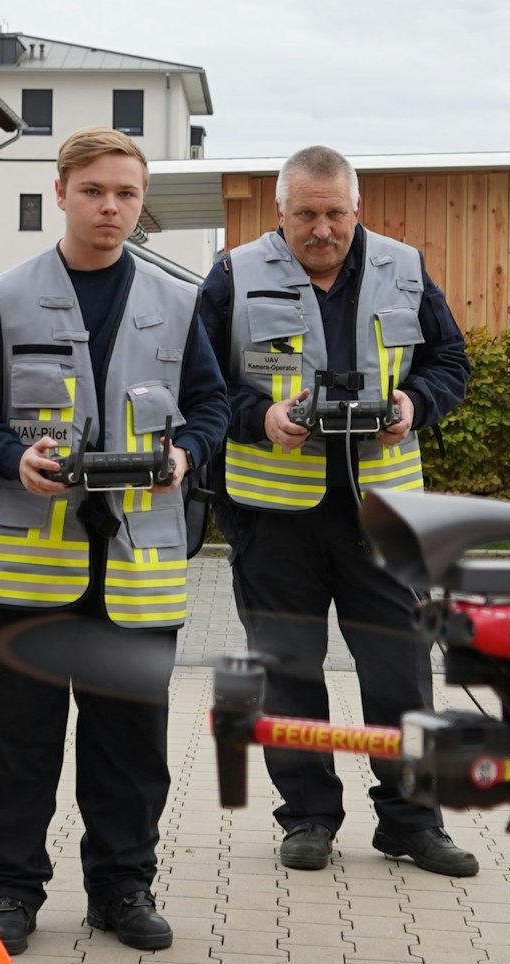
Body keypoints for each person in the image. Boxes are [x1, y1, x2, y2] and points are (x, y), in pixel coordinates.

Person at [0, 128, 228, 954]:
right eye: (94, 191)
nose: (111, 207)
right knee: (18, 741)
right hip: (27, 566)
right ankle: (9, 891)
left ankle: (121, 889)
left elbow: (211, 406)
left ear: (142, 204)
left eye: (126, 194)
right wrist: (12, 458)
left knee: (130, 745)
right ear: (62, 194)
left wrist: (185, 454)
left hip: (137, 567)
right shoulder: (7, 296)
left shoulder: (177, 301)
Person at [201, 146, 477, 877]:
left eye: (334, 213)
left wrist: (415, 404)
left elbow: (451, 363)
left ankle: (412, 821)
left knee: (400, 672)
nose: (321, 229)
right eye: (306, 215)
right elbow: (199, 385)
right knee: (288, 672)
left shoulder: (404, 268)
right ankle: (309, 817)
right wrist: (260, 418)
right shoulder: (234, 275)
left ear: (357, 208)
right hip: (273, 514)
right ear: (280, 212)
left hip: (381, 511)